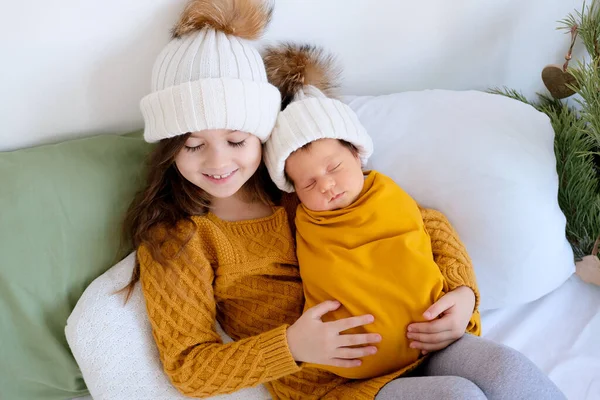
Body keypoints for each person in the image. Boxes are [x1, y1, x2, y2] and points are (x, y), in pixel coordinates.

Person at [124, 0, 566, 398]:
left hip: (414, 336)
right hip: (330, 384)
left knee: (505, 369)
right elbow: (189, 368)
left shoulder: (300, 183)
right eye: (193, 145)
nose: (218, 161)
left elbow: (422, 222)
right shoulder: (180, 238)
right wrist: (291, 346)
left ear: (261, 135)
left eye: (237, 140)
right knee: (455, 397)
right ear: (168, 146)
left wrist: (463, 292)